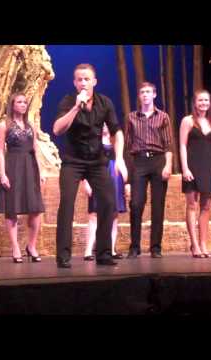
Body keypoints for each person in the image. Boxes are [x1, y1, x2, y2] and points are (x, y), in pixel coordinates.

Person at [53, 63, 127, 268]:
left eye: (87, 79)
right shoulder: (68, 101)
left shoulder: (105, 103)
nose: (83, 82)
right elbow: (57, 129)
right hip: (73, 162)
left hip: (96, 161)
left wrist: (119, 158)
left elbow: (116, 131)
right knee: (66, 204)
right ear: (75, 83)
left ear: (94, 81)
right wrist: (76, 107)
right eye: (79, 79)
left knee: (108, 202)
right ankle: (63, 256)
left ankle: (103, 253)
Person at [0, 93, 45, 263]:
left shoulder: (31, 125)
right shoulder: (4, 125)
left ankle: (31, 245)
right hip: (13, 166)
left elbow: (35, 148)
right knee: (12, 208)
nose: (23, 105)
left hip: (30, 166)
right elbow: (0, 150)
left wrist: (41, 170)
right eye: (19, 102)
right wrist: (3, 173)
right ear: (12, 105)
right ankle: (15, 247)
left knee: (36, 209)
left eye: (24, 102)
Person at [125, 82, 172, 259]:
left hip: (158, 160)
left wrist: (168, 165)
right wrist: (129, 173)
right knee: (136, 204)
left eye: (148, 92)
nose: (145, 95)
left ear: (154, 95)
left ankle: (156, 247)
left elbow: (168, 143)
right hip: (139, 161)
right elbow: (128, 145)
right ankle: (135, 246)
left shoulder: (163, 117)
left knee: (158, 205)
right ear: (139, 96)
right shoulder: (132, 117)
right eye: (142, 92)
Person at [179, 90, 211, 258]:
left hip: (208, 166)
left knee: (206, 206)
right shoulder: (188, 121)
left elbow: (209, 147)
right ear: (195, 103)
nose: (203, 103)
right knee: (192, 205)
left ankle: (203, 243)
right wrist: (185, 168)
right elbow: (182, 145)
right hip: (192, 165)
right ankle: (194, 245)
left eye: (206, 100)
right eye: (200, 100)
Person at [82, 124, 126, 261]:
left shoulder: (115, 140)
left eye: (107, 123)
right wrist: (86, 182)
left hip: (115, 178)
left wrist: (126, 181)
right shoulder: (92, 141)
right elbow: (84, 162)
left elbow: (121, 160)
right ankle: (88, 250)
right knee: (94, 214)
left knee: (114, 215)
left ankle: (111, 249)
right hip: (97, 177)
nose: (105, 126)